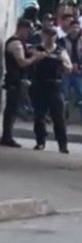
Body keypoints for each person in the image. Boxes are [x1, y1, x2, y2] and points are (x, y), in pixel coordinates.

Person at [28, 27, 71, 152]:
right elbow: (29, 62)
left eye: (52, 35)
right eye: (47, 35)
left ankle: (62, 145)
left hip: (55, 85)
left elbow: (69, 68)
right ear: (43, 36)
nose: (50, 38)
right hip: (39, 85)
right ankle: (40, 141)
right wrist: (36, 58)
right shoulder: (37, 49)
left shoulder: (60, 51)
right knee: (39, 116)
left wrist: (61, 62)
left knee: (59, 117)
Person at [2, 19, 43, 147]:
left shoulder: (20, 43)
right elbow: (21, 62)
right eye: (28, 29)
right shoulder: (16, 44)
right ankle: (7, 136)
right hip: (14, 80)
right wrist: (35, 58)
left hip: (16, 80)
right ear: (22, 28)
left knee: (13, 109)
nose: (29, 33)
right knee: (12, 110)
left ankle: (7, 135)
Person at [59, 18, 82, 127]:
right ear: (69, 28)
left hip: (78, 71)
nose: (75, 30)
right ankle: (63, 117)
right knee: (64, 94)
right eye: (73, 27)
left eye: (77, 27)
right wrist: (69, 64)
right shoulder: (62, 40)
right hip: (66, 71)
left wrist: (79, 64)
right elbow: (61, 53)